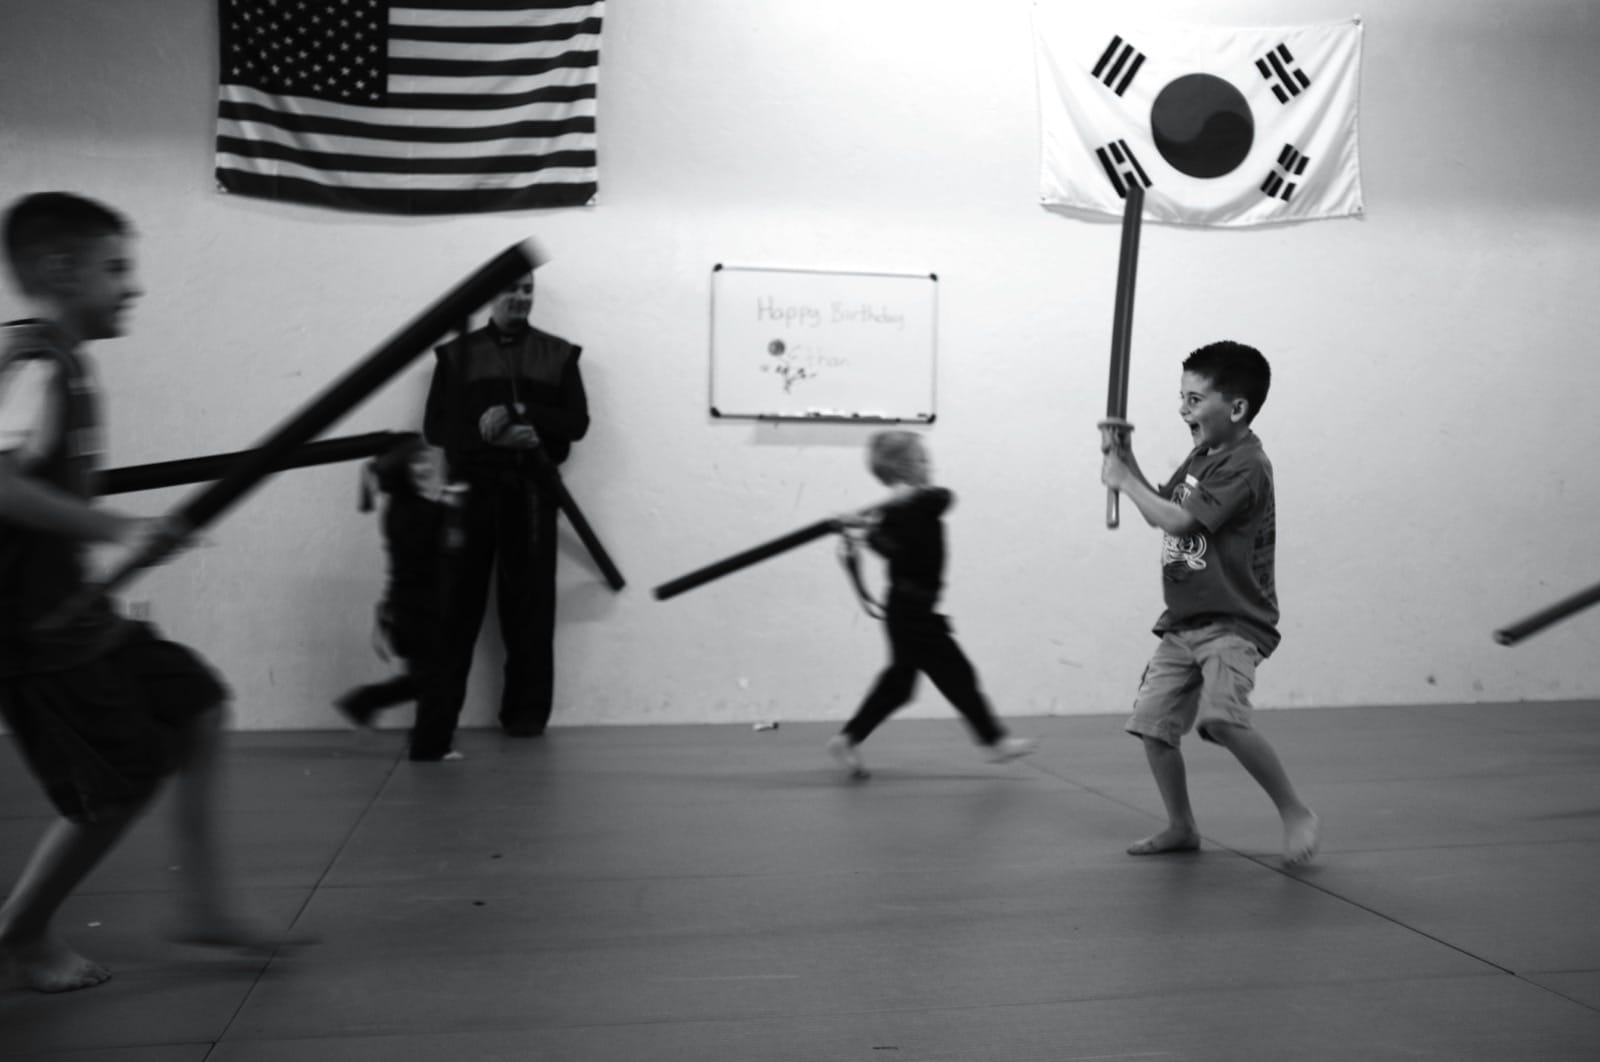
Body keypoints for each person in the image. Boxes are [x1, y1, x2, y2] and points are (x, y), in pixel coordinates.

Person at [0, 192, 272, 992]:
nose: (134, 286)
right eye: (117, 268)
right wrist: (120, 531)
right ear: (59, 269)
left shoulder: (57, 364)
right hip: (30, 634)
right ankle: (22, 930)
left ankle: (205, 903)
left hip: (74, 616)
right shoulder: (35, 363)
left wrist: (110, 531)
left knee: (195, 703)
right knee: (116, 785)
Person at [1100, 340, 1319, 867]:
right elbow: (1165, 505)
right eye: (1182, 398)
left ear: (1236, 407)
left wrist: (1123, 481)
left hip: (1234, 622)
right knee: (1154, 727)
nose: (1182, 410)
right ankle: (1181, 825)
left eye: (1194, 400)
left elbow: (1179, 521)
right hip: (1184, 621)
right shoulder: (1204, 455)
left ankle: (1295, 812)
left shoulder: (1246, 465)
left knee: (1222, 718)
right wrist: (1124, 458)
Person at [423, 271, 588, 737]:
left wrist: (523, 414)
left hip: (532, 497)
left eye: (527, 289)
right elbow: (437, 429)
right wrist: (488, 433)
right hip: (470, 495)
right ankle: (438, 721)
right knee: (456, 609)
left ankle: (526, 718)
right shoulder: (456, 356)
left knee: (532, 611)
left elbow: (576, 423)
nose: (520, 297)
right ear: (490, 296)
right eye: (511, 288)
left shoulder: (559, 354)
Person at [826, 430, 1036, 779]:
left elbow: (943, 498)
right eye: (922, 459)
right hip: (911, 613)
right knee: (956, 674)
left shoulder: (916, 503)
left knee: (899, 685)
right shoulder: (895, 513)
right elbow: (894, 547)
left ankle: (847, 739)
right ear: (904, 467)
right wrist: (866, 529)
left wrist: (878, 516)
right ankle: (993, 741)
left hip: (912, 610)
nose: (930, 464)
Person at [334, 436, 468, 761]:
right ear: (400, 470)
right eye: (415, 462)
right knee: (435, 679)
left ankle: (365, 703)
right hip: (417, 606)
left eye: (425, 460)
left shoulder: (407, 507)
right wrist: (451, 511)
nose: (425, 468)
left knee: (427, 677)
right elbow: (441, 548)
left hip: (413, 604)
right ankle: (428, 746)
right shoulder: (411, 510)